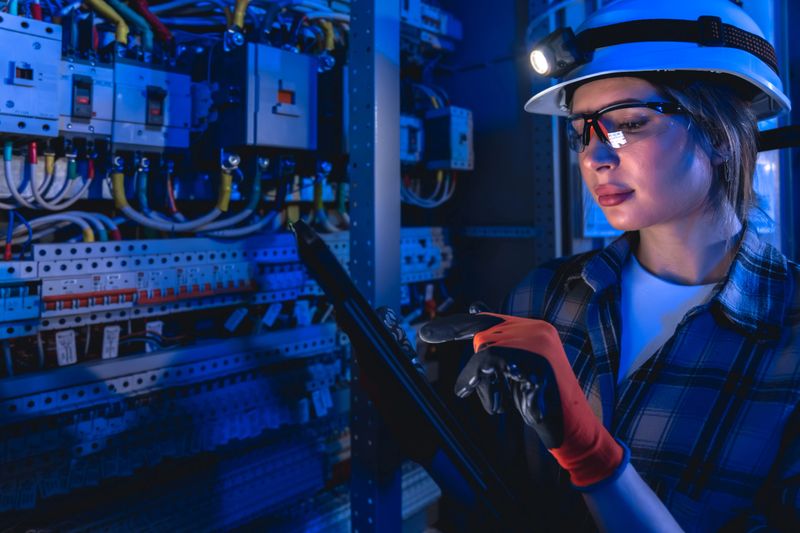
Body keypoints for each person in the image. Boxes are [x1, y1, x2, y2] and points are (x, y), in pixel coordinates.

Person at [419, 0, 800, 530]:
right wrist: (412, 421)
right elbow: (495, 495)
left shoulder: (789, 334)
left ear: (719, 135)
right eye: (582, 132)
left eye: (627, 125)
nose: (595, 158)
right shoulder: (542, 297)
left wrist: (594, 459)